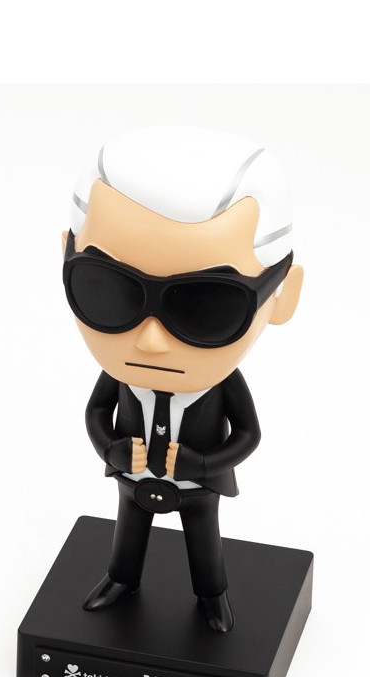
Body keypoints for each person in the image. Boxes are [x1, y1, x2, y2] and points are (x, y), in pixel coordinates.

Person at [63, 126, 304, 633]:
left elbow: (249, 434)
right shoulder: (120, 377)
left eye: (207, 307)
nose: (151, 341)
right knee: (127, 535)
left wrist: (203, 463)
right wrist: (111, 450)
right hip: (133, 478)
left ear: (282, 294)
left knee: (204, 543)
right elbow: (95, 413)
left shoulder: (221, 385)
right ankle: (120, 579)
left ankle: (212, 597)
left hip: (196, 485)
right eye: (108, 290)